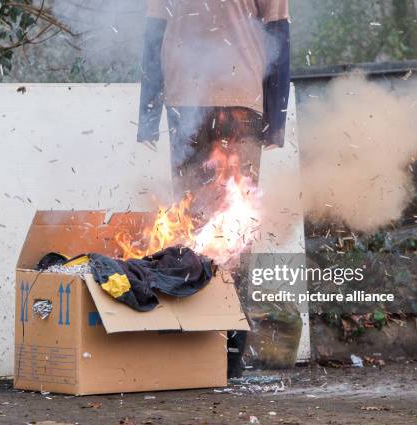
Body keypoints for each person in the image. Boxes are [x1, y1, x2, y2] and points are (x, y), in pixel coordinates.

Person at [137, 0, 291, 378]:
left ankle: (195, 349)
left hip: (184, 100)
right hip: (242, 100)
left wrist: (148, 116)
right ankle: (230, 355)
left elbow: (153, 36)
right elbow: (279, 35)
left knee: (188, 223)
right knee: (237, 228)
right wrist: (276, 119)